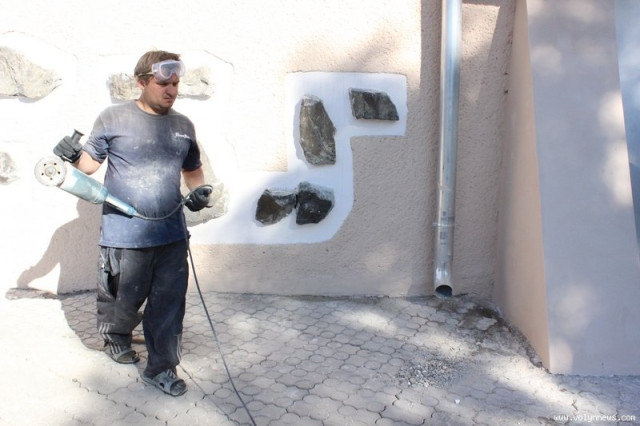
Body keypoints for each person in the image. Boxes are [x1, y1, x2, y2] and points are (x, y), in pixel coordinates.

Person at [53, 50, 212, 397]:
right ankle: (116, 337)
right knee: (122, 302)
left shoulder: (184, 126)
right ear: (142, 82)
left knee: (169, 305)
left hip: (171, 233)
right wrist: (72, 155)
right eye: (163, 84)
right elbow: (89, 166)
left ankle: (161, 368)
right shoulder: (113, 118)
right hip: (124, 234)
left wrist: (200, 191)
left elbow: (193, 170)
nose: (171, 90)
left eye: (175, 84)